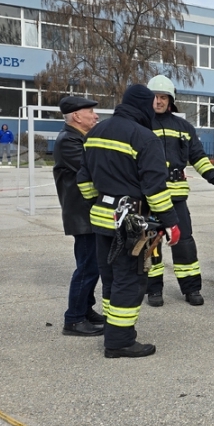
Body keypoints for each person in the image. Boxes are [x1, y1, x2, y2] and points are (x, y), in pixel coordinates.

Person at [77, 84, 180, 359]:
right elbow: (155, 189)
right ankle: (120, 341)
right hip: (130, 223)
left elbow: (83, 180)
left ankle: (113, 331)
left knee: (110, 279)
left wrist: (98, 202)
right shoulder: (145, 138)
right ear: (145, 106)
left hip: (102, 219)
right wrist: (171, 222)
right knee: (130, 281)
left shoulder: (95, 132)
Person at [145, 75, 214, 308]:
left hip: (176, 198)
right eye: (154, 97)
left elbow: (199, 158)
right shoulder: (141, 124)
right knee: (150, 244)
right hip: (149, 196)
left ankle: (191, 288)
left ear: (171, 100)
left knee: (184, 242)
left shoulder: (184, 127)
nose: (159, 101)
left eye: (163, 97)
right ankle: (153, 290)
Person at [53, 96, 105, 337]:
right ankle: (73, 319)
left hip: (87, 213)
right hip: (81, 215)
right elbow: (93, 170)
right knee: (87, 267)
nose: (95, 116)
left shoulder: (79, 138)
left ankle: (85, 310)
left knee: (90, 265)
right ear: (76, 116)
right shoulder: (69, 141)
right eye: (90, 112)